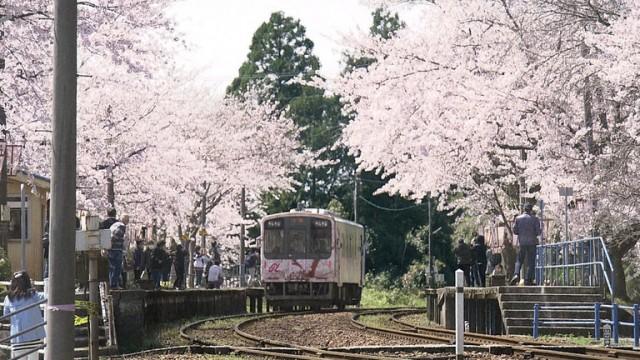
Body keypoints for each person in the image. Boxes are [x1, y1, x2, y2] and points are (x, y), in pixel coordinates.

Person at [3, 271, 45, 359]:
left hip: (17, 337)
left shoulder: (8, 298)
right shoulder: (33, 295)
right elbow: (48, 297)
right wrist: (33, 288)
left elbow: (6, 315)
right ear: (27, 282)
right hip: (33, 337)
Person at [511, 203, 541, 286]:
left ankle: (516, 274)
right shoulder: (535, 219)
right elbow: (538, 232)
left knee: (519, 260)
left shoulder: (518, 218)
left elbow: (515, 231)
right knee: (531, 261)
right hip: (532, 243)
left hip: (522, 243)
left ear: (524, 209)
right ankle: (528, 279)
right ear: (531, 210)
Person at [108, 215, 129, 289]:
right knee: (117, 268)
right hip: (117, 249)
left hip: (110, 249)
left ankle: (111, 284)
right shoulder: (122, 226)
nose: (128, 221)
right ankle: (114, 285)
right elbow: (116, 235)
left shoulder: (114, 225)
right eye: (127, 219)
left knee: (111, 268)